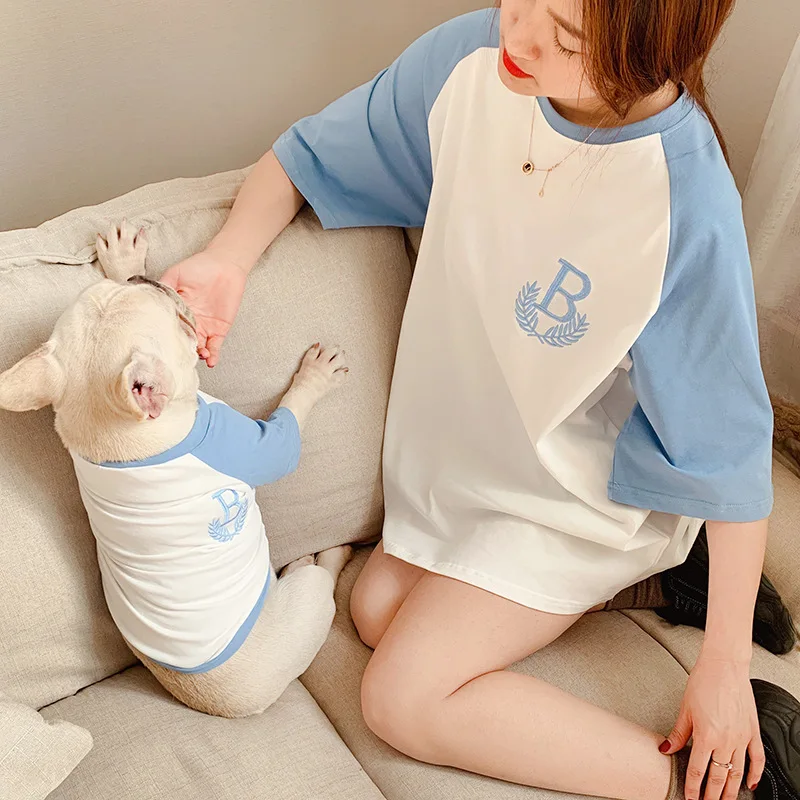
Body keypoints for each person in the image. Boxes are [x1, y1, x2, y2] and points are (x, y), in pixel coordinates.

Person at [162, 3, 800, 798]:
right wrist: (228, 258)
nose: (519, 37)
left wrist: (724, 666)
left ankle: (716, 785)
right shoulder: (470, 63)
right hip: (467, 462)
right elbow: (307, 156)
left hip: (581, 495)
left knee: (400, 699)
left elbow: (728, 447)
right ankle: (669, 585)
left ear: (645, 54)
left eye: (565, 37)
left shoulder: (685, 197)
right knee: (375, 608)